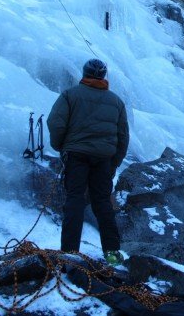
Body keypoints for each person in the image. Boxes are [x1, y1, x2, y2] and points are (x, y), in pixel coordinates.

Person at [47, 59, 129, 265]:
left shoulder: (70, 95)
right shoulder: (116, 101)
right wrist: (114, 163)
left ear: (85, 74)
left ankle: (69, 251)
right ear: (103, 76)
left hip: (76, 155)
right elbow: (123, 136)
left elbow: (55, 122)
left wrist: (61, 147)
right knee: (102, 203)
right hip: (103, 159)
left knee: (74, 200)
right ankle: (112, 252)